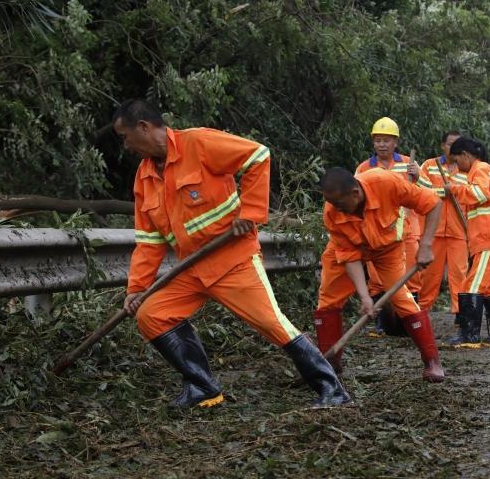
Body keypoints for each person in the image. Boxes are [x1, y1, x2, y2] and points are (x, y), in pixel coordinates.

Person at [112, 99, 350, 408]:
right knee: (151, 314)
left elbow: (258, 155)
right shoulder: (144, 178)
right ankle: (202, 387)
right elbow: (149, 241)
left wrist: (249, 212)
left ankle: (331, 389)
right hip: (191, 269)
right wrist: (137, 288)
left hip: (232, 261)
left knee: (273, 324)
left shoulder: (198, 143)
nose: (125, 145)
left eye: (125, 136)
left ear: (143, 128)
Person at [313, 167, 445, 382]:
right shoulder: (332, 213)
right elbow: (349, 256)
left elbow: (433, 203)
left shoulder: (386, 182)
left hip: (387, 248)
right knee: (328, 300)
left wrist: (426, 245)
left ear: (355, 193)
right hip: (350, 251)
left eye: (339, 203)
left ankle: (432, 362)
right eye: (331, 203)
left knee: (401, 298)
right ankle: (331, 364)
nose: (335, 208)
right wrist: (365, 297)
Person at [443, 136, 490, 348]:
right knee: (489, 287)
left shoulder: (481, 168)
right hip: (486, 239)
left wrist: (454, 190)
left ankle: (469, 335)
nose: (457, 167)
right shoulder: (475, 172)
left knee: (472, 284)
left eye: (457, 161)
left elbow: (480, 194)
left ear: (466, 155)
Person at [354, 116, 425, 336]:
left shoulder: (409, 164)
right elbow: (356, 197)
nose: (382, 144)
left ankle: (409, 323)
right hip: (378, 231)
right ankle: (382, 323)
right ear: (373, 142)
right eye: (378, 140)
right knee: (377, 279)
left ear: (395, 142)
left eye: (387, 140)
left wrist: (418, 176)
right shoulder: (364, 168)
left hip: (407, 228)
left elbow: (424, 193)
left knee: (411, 277)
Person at [417, 130, 469, 326]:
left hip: (458, 231)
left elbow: (470, 194)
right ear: (442, 145)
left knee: (459, 275)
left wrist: (453, 192)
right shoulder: (429, 166)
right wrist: (445, 192)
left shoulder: (466, 169)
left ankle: (461, 312)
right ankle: (421, 312)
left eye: (458, 144)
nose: (453, 148)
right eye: (450, 144)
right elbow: (422, 191)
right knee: (428, 275)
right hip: (433, 232)